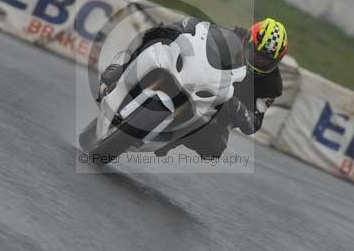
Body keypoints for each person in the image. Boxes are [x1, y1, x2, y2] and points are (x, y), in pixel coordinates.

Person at [99, 16, 289, 159]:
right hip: (199, 75)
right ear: (248, 40)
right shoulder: (235, 36)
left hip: (219, 106)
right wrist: (184, 27)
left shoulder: (272, 86)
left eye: (266, 60)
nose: (259, 60)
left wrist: (239, 109)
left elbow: (254, 124)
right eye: (256, 53)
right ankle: (122, 70)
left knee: (215, 148)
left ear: (277, 61)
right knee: (159, 35)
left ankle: (175, 138)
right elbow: (205, 32)